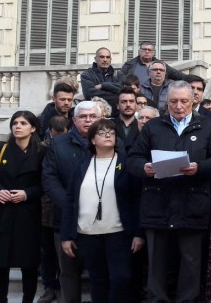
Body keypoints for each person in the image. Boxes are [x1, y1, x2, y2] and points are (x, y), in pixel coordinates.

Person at [128, 81, 211, 302]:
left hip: (193, 204)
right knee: (156, 265)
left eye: (184, 101)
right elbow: (134, 158)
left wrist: (199, 168)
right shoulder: (153, 126)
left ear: (193, 101)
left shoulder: (208, 127)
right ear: (166, 102)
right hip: (158, 204)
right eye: (173, 101)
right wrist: (145, 168)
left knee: (191, 265)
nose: (179, 106)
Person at [59, 119, 143, 302]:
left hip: (118, 233)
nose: (108, 135)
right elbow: (70, 200)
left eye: (111, 132)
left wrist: (138, 233)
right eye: (102, 132)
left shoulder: (125, 164)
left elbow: (136, 200)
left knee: (121, 278)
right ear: (92, 140)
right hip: (87, 234)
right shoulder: (82, 165)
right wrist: (66, 235)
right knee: (97, 280)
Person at [42, 101, 103, 303]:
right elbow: (50, 179)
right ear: (74, 120)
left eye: (92, 116)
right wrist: (70, 207)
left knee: (100, 273)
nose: (88, 121)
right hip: (65, 221)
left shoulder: (112, 143)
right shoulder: (58, 145)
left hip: (101, 221)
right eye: (83, 117)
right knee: (68, 272)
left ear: (100, 119)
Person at [0, 111, 47, 303]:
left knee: (28, 263)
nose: (17, 126)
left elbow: (46, 183)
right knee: (0, 263)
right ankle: (0, 300)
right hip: (2, 213)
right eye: (15, 123)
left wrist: (27, 193)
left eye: (23, 123)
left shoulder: (41, 152)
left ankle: (27, 300)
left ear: (33, 128)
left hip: (28, 214)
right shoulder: (1, 151)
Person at [38, 115, 69, 303]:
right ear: (50, 131)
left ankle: (63, 287)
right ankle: (50, 286)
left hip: (65, 205)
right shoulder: (41, 149)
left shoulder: (71, 146)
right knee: (48, 251)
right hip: (46, 208)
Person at [80, 47, 125, 116]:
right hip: (95, 116)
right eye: (102, 57)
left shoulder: (118, 75)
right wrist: (114, 93)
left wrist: (103, 85)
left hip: (115, 116)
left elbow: (122, 91)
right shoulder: (87, 75)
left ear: (110, 60)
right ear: (96, 59)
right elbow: (89, 94)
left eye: (108, 57)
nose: (105, 60)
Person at [112, 87, 139, 153]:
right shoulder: (110, 125)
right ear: (117, 106)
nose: (128, 105)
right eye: (124, 102)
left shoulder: (143, 125)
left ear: (136, 105)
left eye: (131, 101)